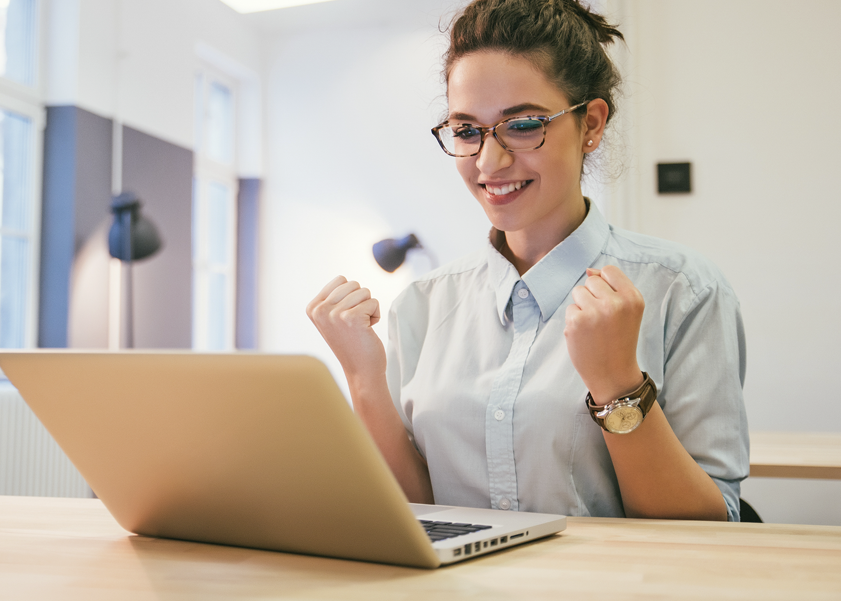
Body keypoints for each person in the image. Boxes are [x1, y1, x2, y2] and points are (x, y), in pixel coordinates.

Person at [307, 0, 749, 521]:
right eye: (467, 131)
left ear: (591, 123)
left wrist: (618, 387)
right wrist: (363, 377)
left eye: (523, 125)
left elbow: (709, 528)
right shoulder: (422, 306)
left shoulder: (683, 291)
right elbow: (419, 515)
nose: (488, 163)